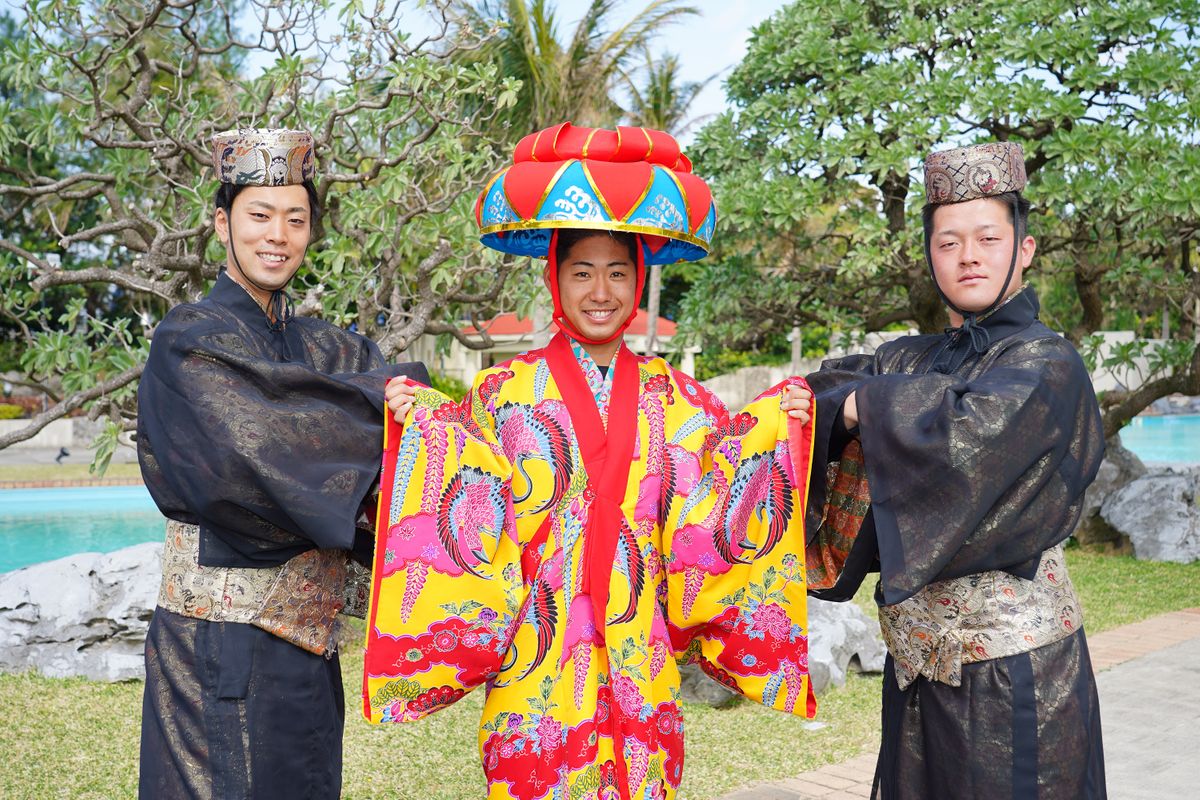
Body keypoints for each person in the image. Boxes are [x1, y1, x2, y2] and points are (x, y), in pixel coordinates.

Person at [363, 122, 818, 800]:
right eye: (581, 271)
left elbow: (719, 499)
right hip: (535, 653)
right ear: (555, 277)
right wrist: (420, 419)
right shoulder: (502, 391)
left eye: (617, 272)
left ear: (639, 281)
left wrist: (781, 426)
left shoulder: (680, 396)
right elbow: (462, 492)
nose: (600, 290)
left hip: (642, 652)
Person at [791, 141, 1107, 799]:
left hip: (1017, 681)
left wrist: (860, 408)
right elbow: (822, 390)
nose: (969, 255)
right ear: (929, 255)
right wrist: (843, 404)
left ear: (1024, 248)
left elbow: (970, 428)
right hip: (916, 677)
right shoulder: (915, 358)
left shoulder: (1048, 364)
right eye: (948, 242)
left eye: (989, 237)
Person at [136, 128, 428, 799]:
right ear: (222, 223)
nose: (278, 235)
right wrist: (375, 406)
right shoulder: (188, 341)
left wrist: (399, 406)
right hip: (216, 650)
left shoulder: (328, 349)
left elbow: (391, 404)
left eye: (295, 219)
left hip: (309, 652)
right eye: (259, 216)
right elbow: (261, 444)